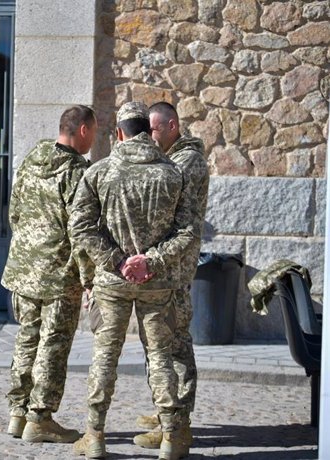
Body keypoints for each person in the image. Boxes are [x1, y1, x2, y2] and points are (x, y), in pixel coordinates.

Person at [69, 102, 196, 460]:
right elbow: (188, 231)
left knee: (105, 356)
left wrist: (117, 261)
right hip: (158, 282)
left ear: (120, 133)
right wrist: (150, 261)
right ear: (147, 131)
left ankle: (94, 435)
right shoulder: (173, 173)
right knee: (160, 356)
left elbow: (80, 227)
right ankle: (171, 437)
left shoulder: (100, 171)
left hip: (111, 282)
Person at [1, 105, 97, 443]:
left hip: (24, 269)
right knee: (53, 345)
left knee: (27, 338)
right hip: (59, 275)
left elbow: (14, 212)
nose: (94, 140)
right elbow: (82, 232)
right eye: (94, 132)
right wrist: (89, 280)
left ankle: (17, 412)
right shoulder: (77, 172)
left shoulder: (31, 160)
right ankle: (40, 418)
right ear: (82, 130)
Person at [129, 102, 209, 450]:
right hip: (163, 266)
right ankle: (166, 410)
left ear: (173, 126)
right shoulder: (171, 157)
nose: (149, 136)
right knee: (159, 344)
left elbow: (177, 220)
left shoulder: (185, 161)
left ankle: (178, 424)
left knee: (175, 345)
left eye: (155, 129)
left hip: (173, 268)